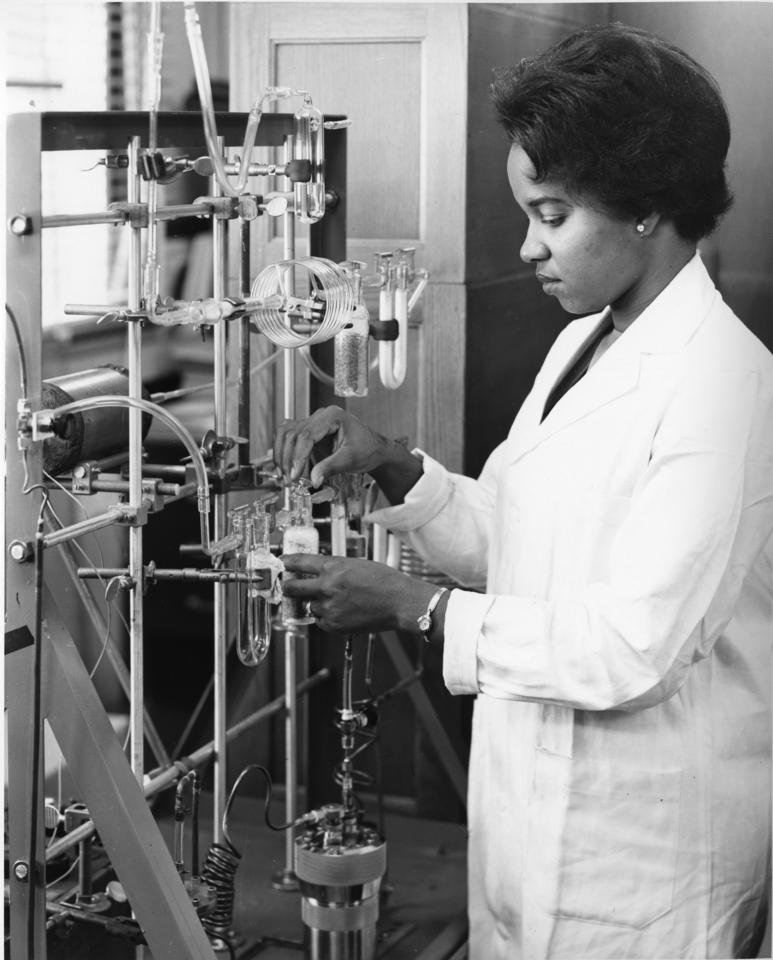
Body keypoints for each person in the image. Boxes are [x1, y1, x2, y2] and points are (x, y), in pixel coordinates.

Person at [274, 23, 773, 960]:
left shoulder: (724, 387)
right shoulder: (585, 341)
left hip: (645, 866)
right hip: (529, 828)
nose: (529, 247)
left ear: (645, 209)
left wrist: (419, 609)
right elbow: (517, 538)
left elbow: (632, 647)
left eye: (551, 216)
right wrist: (397, 468)